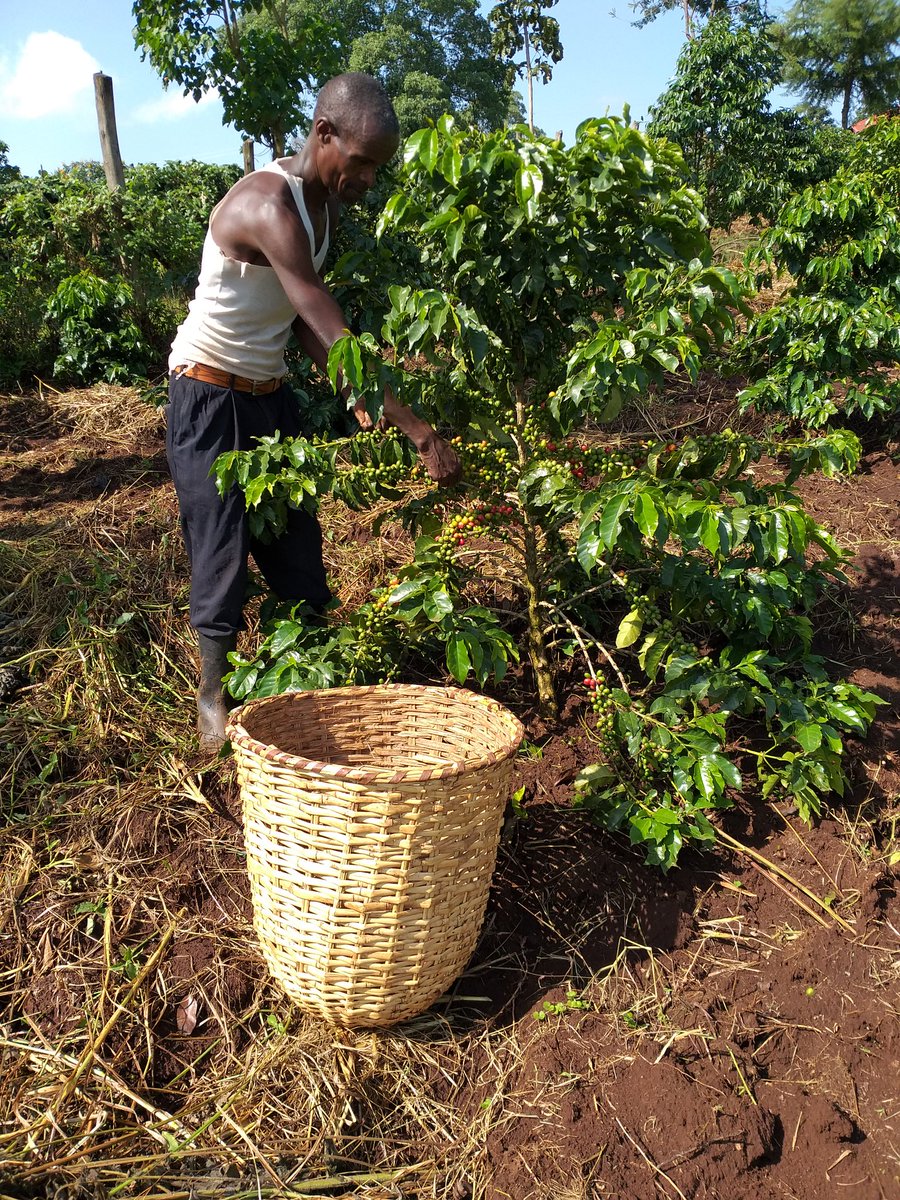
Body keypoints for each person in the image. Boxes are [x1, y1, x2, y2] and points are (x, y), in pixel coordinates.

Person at [166, 72, 461, 749]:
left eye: (376, 170)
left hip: (267, 394)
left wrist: (355, 390)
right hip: (208, 394)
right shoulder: (269, 205)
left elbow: (299, 322)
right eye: (360, 164)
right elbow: (325, 321)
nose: (366, 180)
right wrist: (416, 429)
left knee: (298, 542)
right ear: (324, 135)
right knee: (222, 549)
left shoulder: (320, 206)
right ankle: (213, 695)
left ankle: (304, 675)